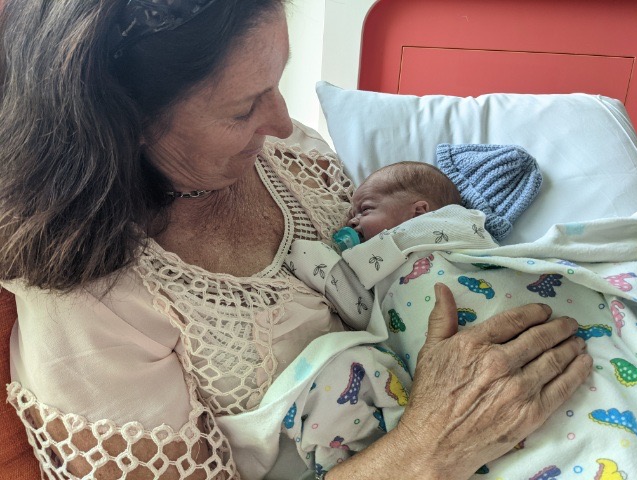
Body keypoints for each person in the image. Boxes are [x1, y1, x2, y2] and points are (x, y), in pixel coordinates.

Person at [0, 1, 594, 479]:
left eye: (278, 81)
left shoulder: (286, 156)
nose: (284, 123)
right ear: (120, 123)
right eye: (242, 109)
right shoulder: (89, 310)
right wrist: (428, 446)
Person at [283, 162, 637, 477]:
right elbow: (351, 302)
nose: (352, 221)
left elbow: (446, 233)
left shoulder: (448, 228)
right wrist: (315, 262)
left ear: (418, 211)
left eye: (365, 208)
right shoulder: (376, 280)